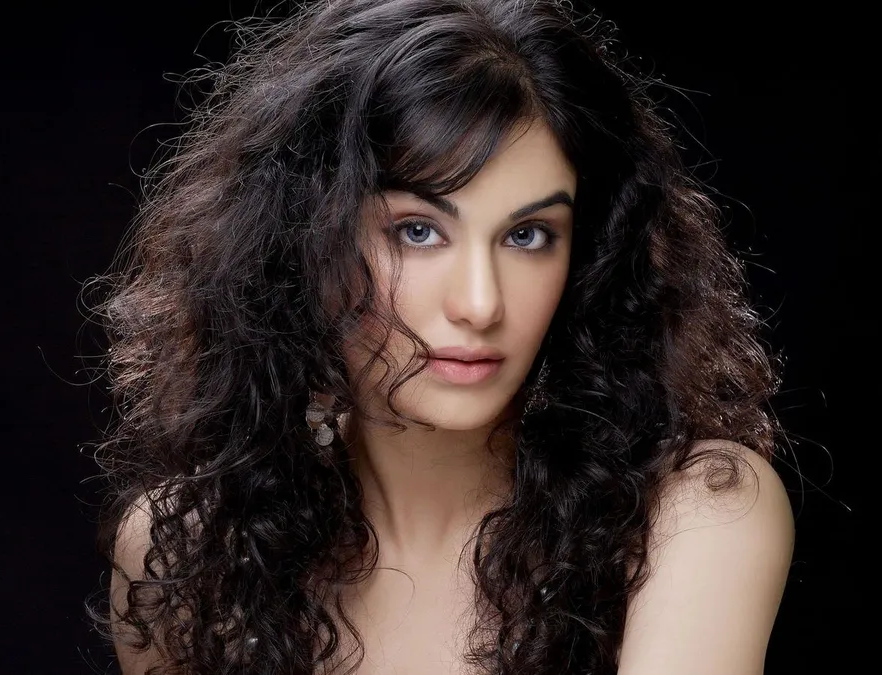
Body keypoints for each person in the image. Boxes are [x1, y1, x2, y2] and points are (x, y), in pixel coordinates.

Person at [85, 1, 795, 673]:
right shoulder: (187, 554)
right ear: (304, 240)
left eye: (528, 235)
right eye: (418, 232)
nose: (480, 303)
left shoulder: (694, 512)